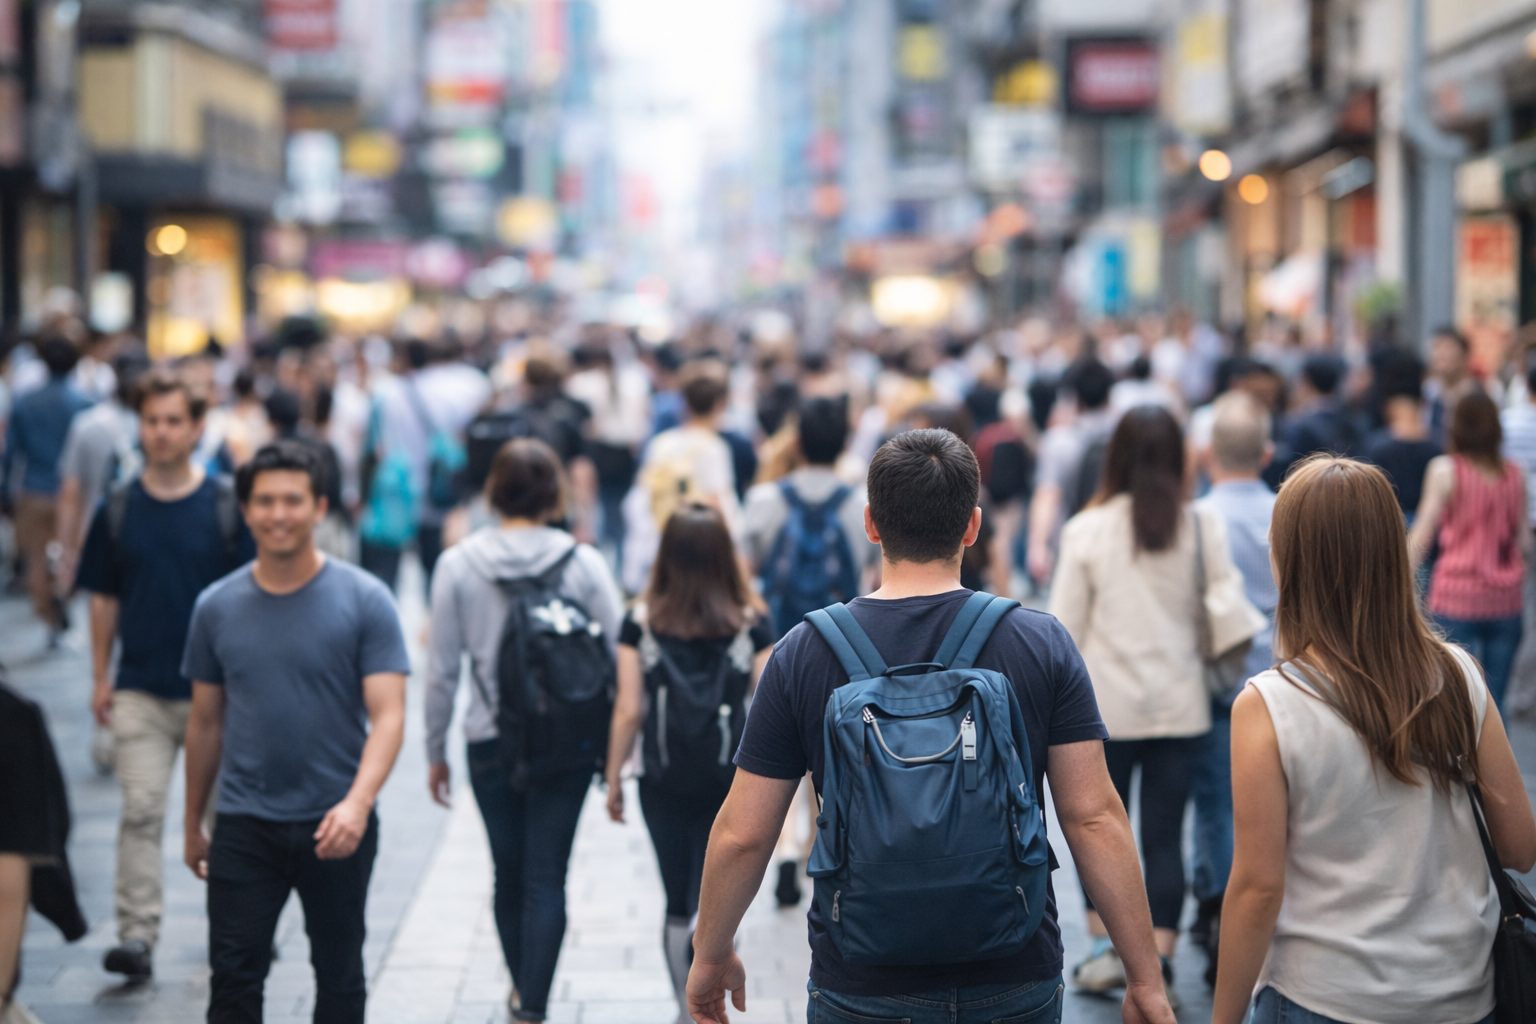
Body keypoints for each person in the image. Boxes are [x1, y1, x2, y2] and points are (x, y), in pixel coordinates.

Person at [686, 428, 1177, 1024]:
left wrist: (712, 954)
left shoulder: (805, 652)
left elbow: (744, 834)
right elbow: (1092, 816)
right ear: (972, 526)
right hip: (1013, 972)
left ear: (871, 524)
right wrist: (1144, 976)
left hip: (861, 979)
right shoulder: (1039, 642)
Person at [1213, 456, 1536, 1024]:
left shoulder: (1269, 704)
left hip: (1324, 996)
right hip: (1461, 992)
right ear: (1393, 552)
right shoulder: (1460, 674)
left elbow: (1257, 891)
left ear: (1287, 559)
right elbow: (1520, 848)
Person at [181, 441, 410, 1024]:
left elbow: (389, 714)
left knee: (339, 976)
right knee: (233, 977)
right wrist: (191, 821)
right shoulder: (215, 606)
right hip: (243, 823)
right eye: (264, 501)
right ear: (247, 510)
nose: (278, 514)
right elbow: (205, 721)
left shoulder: (365, 599)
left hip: (336, 822)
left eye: (292, 500)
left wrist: (358, 805)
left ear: (319, 507)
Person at [1049, 405, 1263, 1001]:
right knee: (1165, 835)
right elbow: (1224, 610)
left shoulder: (1086, 530)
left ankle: (1103, 952)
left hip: (1101, 711)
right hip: (1182, 706)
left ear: (1114, 456)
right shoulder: (1199, 526)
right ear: (1179, 457)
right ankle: (1161, 960)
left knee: (1095, 828)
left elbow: (1063, 628)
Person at [424, 437, 622, 1024]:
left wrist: (435, 751)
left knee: (505, 872)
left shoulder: (457, 564)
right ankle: (531, 1004)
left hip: (488, 739)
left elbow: (440, 672)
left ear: (492, 493)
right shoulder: (582, 562)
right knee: (546, 877)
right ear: (555, 494)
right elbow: (620, 651)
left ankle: (522, 990)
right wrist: (618, 750)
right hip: (568, 740)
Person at [73, 368, 253, 983]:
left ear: (198, 427)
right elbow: (103, 597)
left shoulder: (227, 504)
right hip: (142, 686)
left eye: (175, 421)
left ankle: (237, 926)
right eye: (152, 421)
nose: (162, 432)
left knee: (227, 819)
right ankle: (137, 935)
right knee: (142, 809)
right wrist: (102, 676)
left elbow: (253, 597)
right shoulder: (119, 506)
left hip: (221, 695)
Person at [603, 504, 774, 1024]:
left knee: (677, 897)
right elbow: (770, 704)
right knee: (721, 894)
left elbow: (629, 708)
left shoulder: (640, 621)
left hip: (662, 779)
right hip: (730, 781)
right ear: (725, 556)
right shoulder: (751, 621)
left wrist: (613, 778)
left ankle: (686, 1009)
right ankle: (713, 996)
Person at [1189, 392, 1278, 984]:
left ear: (1206, 454)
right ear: (1267, 453)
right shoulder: (1286, 511)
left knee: (1217, 803)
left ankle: (1220, 908)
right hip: (1284, 673)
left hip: (1220, 678)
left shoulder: (1198, 518)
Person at [1410, 392, 1530, 709]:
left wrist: (1397, 574)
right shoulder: (1514, 474)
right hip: (1505, 598)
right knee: (1496, 700)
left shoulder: (1445, 470)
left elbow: (1423, 535)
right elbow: (1523, 542)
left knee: (1456, 700)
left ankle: (1463, 759)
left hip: (1455, 596)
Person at [359, 338, 491, 594]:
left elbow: (372, 447)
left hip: (395, 491)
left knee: (387, 572)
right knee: (435, 571)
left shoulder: (386, 392)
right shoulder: (454, 390)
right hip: (436, 488)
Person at [743, 396, 876, 633]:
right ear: (845, 447)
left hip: (777, 641)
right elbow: (878, 581)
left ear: (795, 444)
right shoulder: (865, 506)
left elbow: (742, 577)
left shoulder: (762, 499)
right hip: (843, 643)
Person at [2, 334, 93, 640]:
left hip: (34, 490)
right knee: (70, 556)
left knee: (36, 563)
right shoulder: (86, 402)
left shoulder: (25, 401)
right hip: (74, 494)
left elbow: (11, 451)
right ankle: (62, 603)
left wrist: (6, 490)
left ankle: (48, 612)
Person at [622, 361, 742, 593]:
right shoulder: (714, 447)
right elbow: (719, 500)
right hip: (698, 543)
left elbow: (641, 494)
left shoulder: (663, 442)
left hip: (662, 537)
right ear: (720, 405)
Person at [54, 348, 149, 589]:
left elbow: (70, 494)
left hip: (95, 538)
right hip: (150, 536)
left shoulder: (87, 424)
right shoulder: (166, 426)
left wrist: (66, 554)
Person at [1026, 357, 1115, 584]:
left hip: (1070, 542)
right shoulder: (1124, 436)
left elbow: (1047, 494)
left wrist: (1038, 546)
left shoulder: (1059, 441)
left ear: (1073, 397)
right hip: (1117, 541)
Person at [1363, 358, 1440, 522]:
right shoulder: (1438, 445)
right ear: (1422, 404)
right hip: (1429, 527)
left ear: (1388, 405)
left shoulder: (1376, 446)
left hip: (1389, 526)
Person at [1426, 326, 1479, 447]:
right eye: (1436, 347)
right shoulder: (1429, 392)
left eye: (1448, 347)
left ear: (1465, 355)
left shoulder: (1479, 393)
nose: (1440, 353)